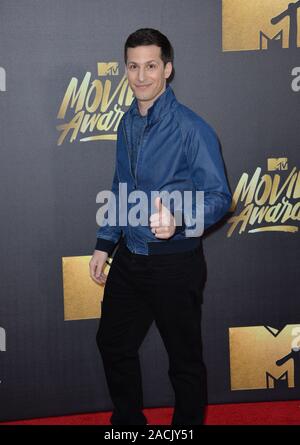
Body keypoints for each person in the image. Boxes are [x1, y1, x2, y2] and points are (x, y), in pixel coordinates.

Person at [89, 28, 231, 425]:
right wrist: (104, 243)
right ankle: (129, 426)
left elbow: (220, 197)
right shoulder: (126, 123)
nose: (141, 75)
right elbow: (121, 186)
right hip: (131, 258)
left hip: (175, 264)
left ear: (167, 69)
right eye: (133, 66)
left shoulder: (191, 128)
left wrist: (180, 216)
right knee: (113, 344)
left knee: (183, 362)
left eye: (151, 66)